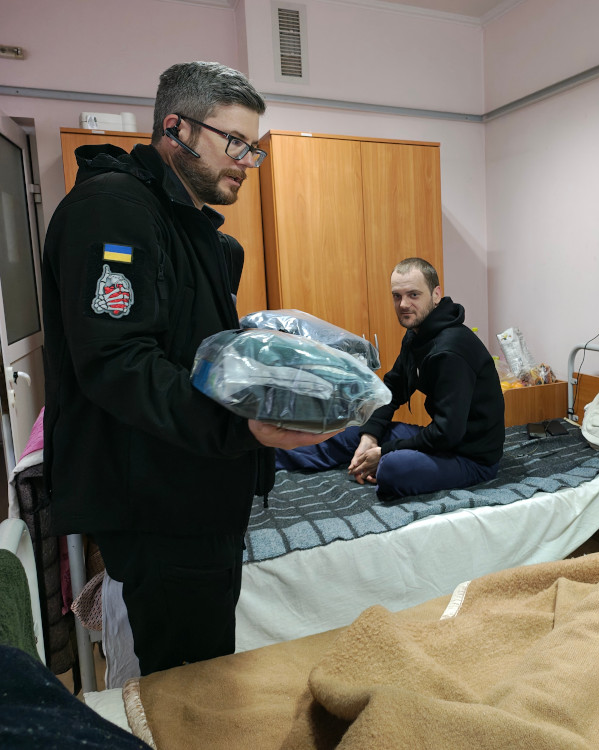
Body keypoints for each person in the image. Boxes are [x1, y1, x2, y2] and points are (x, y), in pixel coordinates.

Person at [42, 61, 331, 675]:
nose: (246, 161)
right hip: (162, 506)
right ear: (175, 128)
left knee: (208, 679)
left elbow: (192, 350)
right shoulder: (113, 210)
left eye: (253, 148)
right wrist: (240, 423)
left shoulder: (188, 226)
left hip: (196, 494)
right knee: (190, 696)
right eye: (234, 142)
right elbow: (119, 362)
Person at [277, 257, 506, 498]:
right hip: (444, 441)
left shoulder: (451, 351)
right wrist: (369, 437)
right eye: (397, 296)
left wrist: (385, 451)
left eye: (413, 295)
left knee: (392, 467)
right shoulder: (417, 335)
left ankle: (382, 464)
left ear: (436, 294)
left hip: (471, 457)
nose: (403, 304)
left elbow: (447, 433)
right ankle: (267, 458)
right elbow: (391, 390)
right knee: (353, 431)